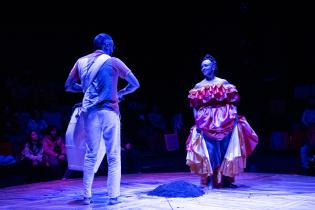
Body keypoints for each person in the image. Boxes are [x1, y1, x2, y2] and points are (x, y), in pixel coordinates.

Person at [65, 33, 140, 205]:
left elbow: (68, 86)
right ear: (107, 44)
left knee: (90, 155)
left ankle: (86, 196)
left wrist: (84, 88)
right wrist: (120, 93)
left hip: (89, 114)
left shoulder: (80, 61)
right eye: (112, 44)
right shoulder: (114, 61)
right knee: (113, 155)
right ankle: (113, 196)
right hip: (109, 111)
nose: (113, 48)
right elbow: (135, 84)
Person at [186, 53, 259, 189]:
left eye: (206, 65)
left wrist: (234, 117)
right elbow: (195, 106)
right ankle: (211, 178)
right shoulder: (198, 86)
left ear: (213, 66)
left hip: (224, 120)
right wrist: (197, 122)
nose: (203, 68)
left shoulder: (223, 82)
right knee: (210, 151)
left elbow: (233, 101)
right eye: (202, 66)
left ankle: (226, 179)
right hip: (206, 121)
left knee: (226, 150)